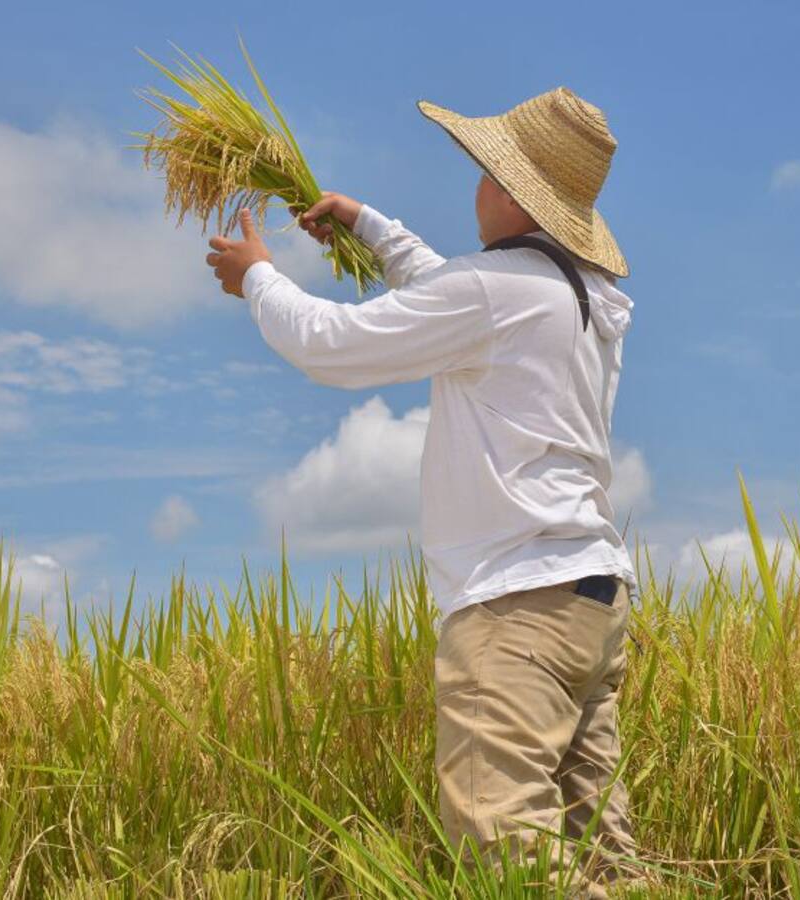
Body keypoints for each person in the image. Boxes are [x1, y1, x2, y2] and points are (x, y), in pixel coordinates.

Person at [205, 86, 642, 896]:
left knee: (505, 842)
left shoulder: (494, 292)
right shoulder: (580, 295)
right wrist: (372, 227)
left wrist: (258, 279)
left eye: (483, 173)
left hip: (517, 610)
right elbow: (455, 294)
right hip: (591, 602)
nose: (474, 187)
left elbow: (329, 345)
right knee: (595, 842)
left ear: (511, 192)